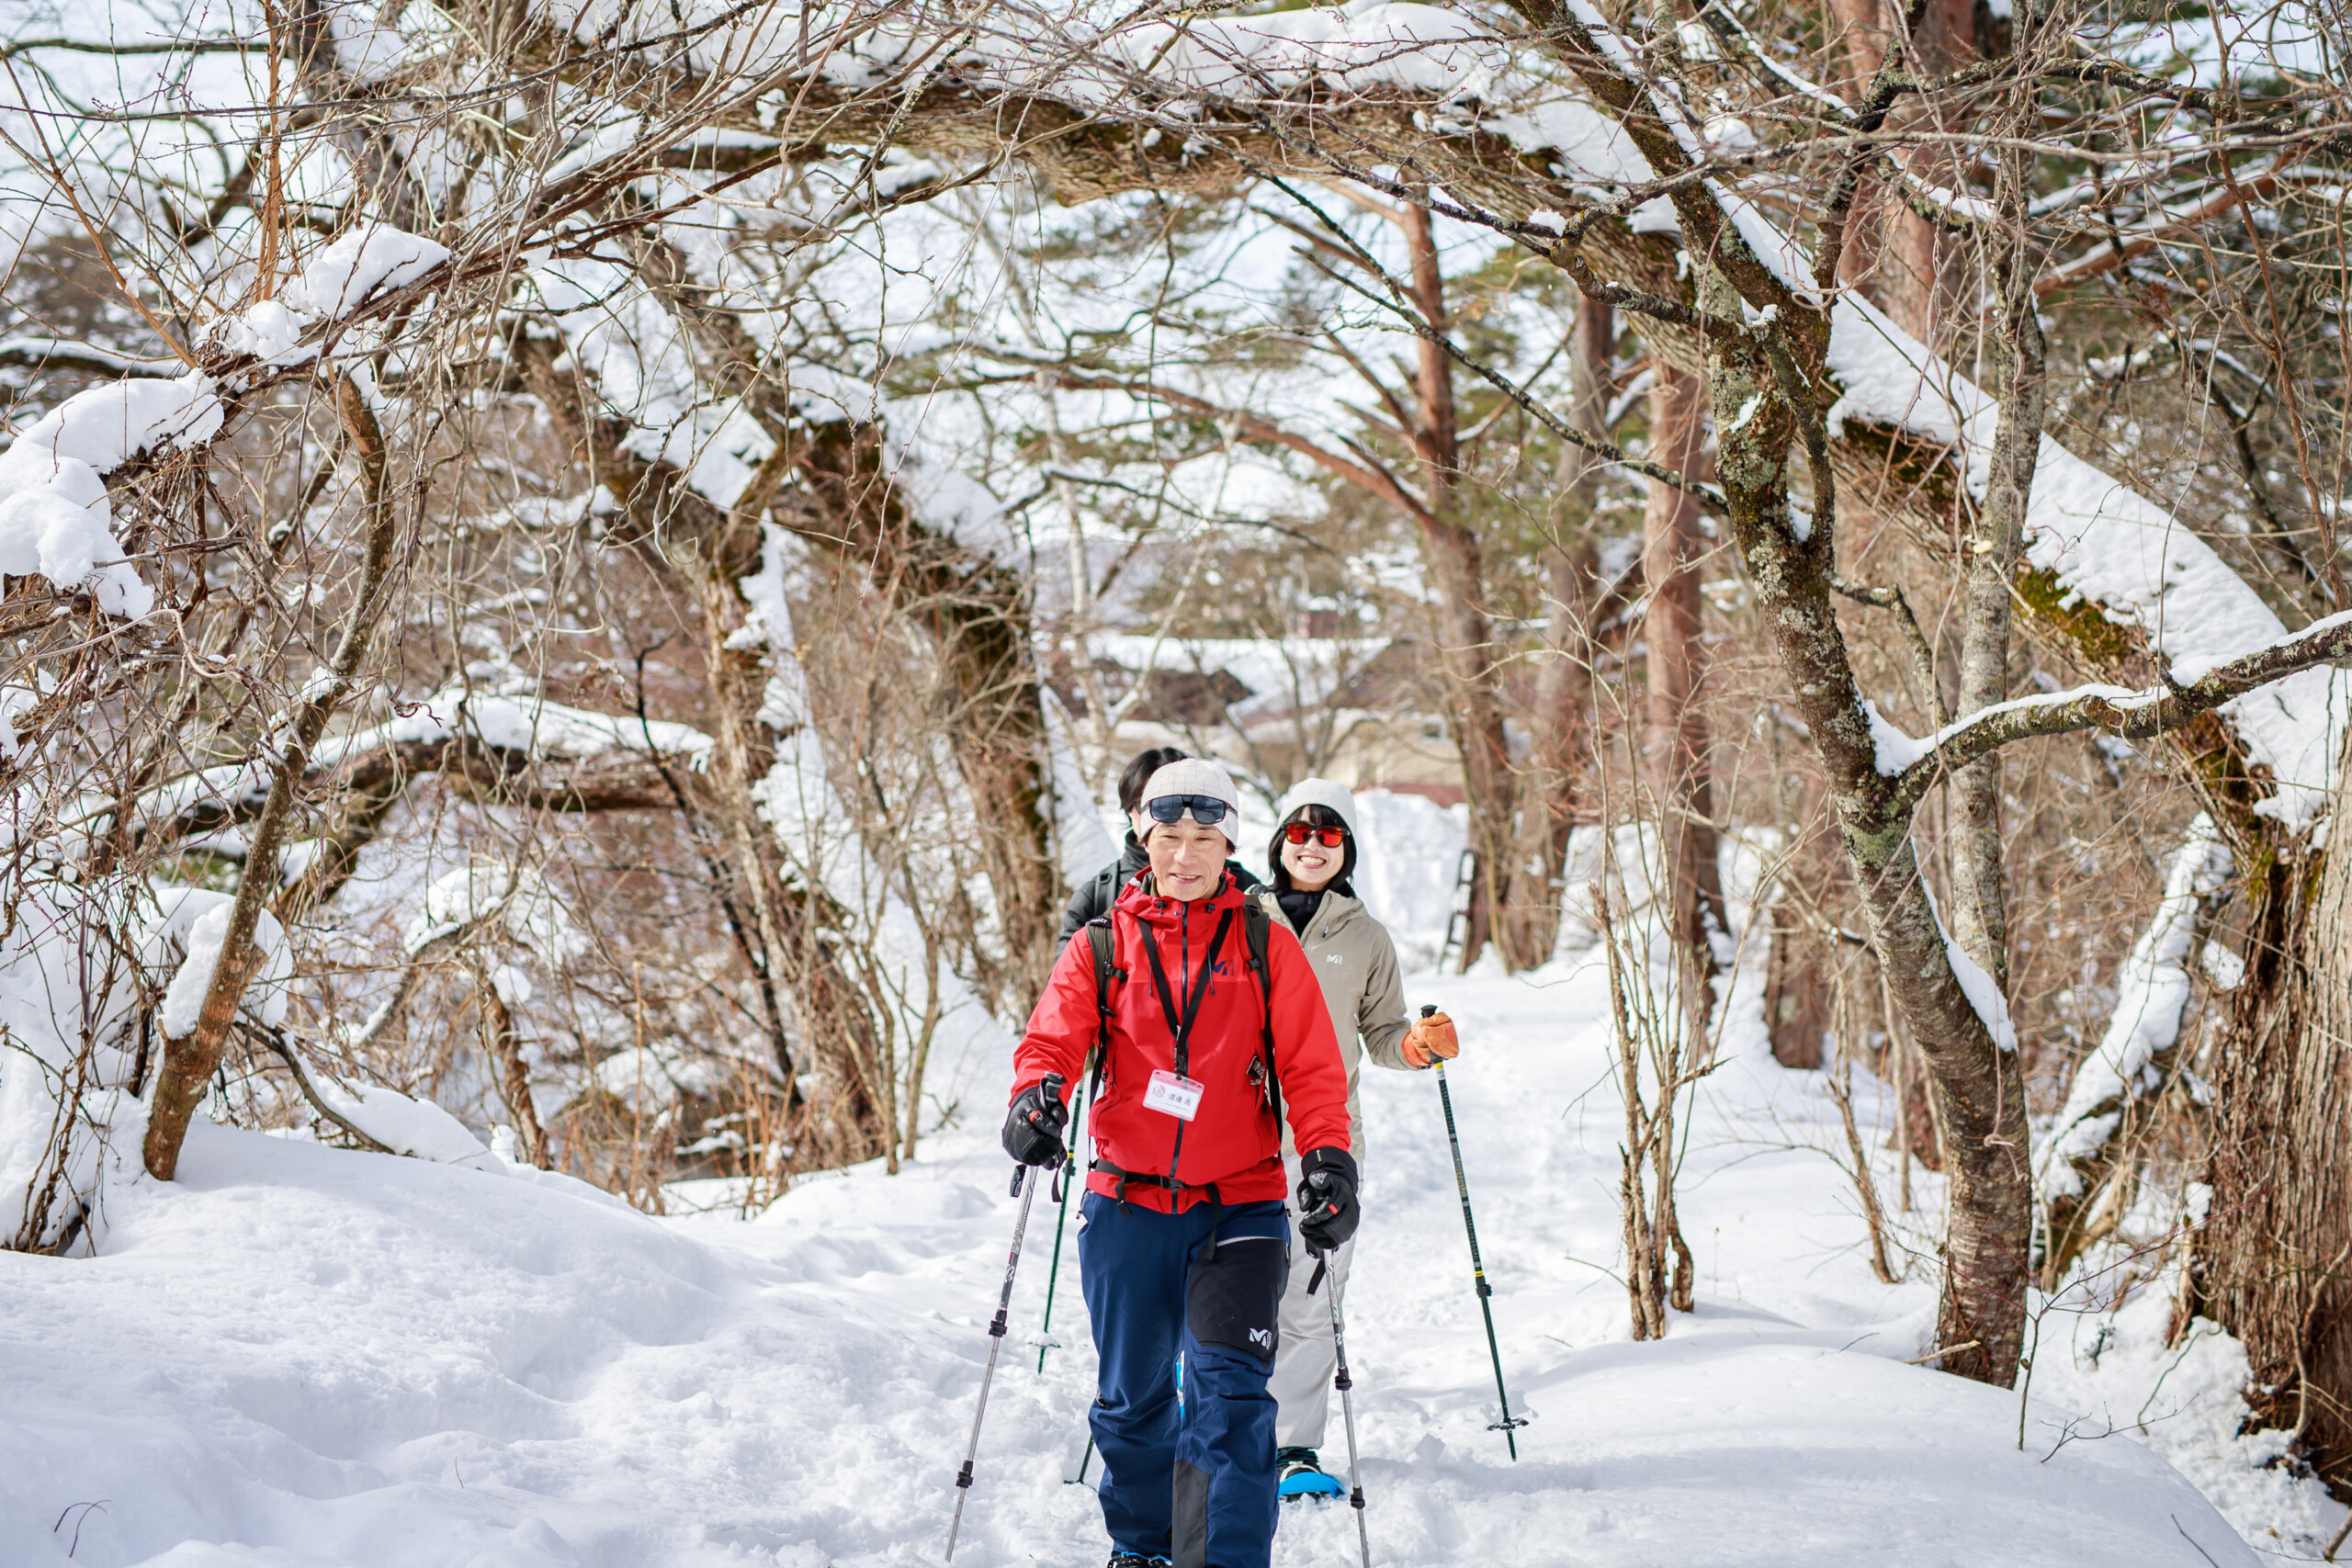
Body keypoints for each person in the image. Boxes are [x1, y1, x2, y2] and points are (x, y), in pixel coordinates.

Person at [1006, 757, 1358, 1568]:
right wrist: (1037, 1096)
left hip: (1241, 1206)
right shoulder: (1102, 943)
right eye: (1171, 835)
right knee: (1132, 1402)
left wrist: (1329, 1158)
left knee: (1231, 1401)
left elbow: (1311, 1067)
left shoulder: (1265, 943)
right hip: (1127, 1204)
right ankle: (1145, 1547)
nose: (1187, 854)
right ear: (1144, 834)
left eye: (1206, 837)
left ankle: (1225, 1559)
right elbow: (1051, 1037)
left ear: (1230, 843)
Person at [1250, 779, 1460, 1501]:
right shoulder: (1243, 916)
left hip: (1324, 1147)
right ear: (1280, 842)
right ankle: (1217, 1422)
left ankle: (1292, 1447)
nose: (1312, 845)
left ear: (1348, 849)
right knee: (1230, 1291)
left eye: (1329, 834)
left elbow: (1381, 1034)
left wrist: (1418, 1046)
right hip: (1233, 1140)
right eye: (1301, 832)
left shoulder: (1367, 937)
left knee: (1310, 1302)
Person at [1059, 747, 1261, 942]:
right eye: (1145, 805)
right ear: (1128, 810)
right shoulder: (1097, 895)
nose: (1170, 813)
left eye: (1178, 801)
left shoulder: (1242, 887)